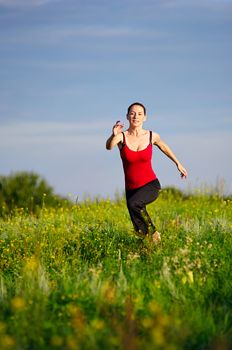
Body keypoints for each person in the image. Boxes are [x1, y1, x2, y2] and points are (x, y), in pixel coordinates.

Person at [106, 102, 187, 243]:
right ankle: (150, 246)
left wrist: (178, 163)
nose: (135, 116)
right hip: (131, 189)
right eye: (132, 113)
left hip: (150, 185)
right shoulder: (121, 137)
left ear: (145, 118)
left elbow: (164, 146)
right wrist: (113, 135)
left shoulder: (151, 136)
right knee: (139, 228)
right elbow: (109, 146)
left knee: (133, 204)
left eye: (139, 114)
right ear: (127, 116)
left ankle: (154, 233)